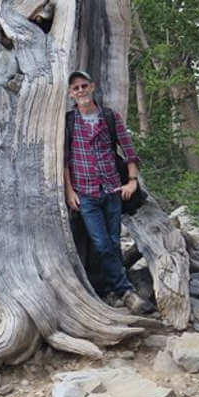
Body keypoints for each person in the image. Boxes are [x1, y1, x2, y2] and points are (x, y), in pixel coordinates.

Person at [63, 70, 154, 315]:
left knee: (113, 243)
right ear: (71, 94)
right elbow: (65, 161)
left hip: (112, 190)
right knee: (101, 244)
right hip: (86, 194)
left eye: (84, 86)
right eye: (75, 88)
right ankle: (126, 292)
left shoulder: (109, 117)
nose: (80, 91)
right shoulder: (69, 122)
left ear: (92, 87)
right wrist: (70, 191)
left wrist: (132, 181)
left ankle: (113, 290)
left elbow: (129, 150)